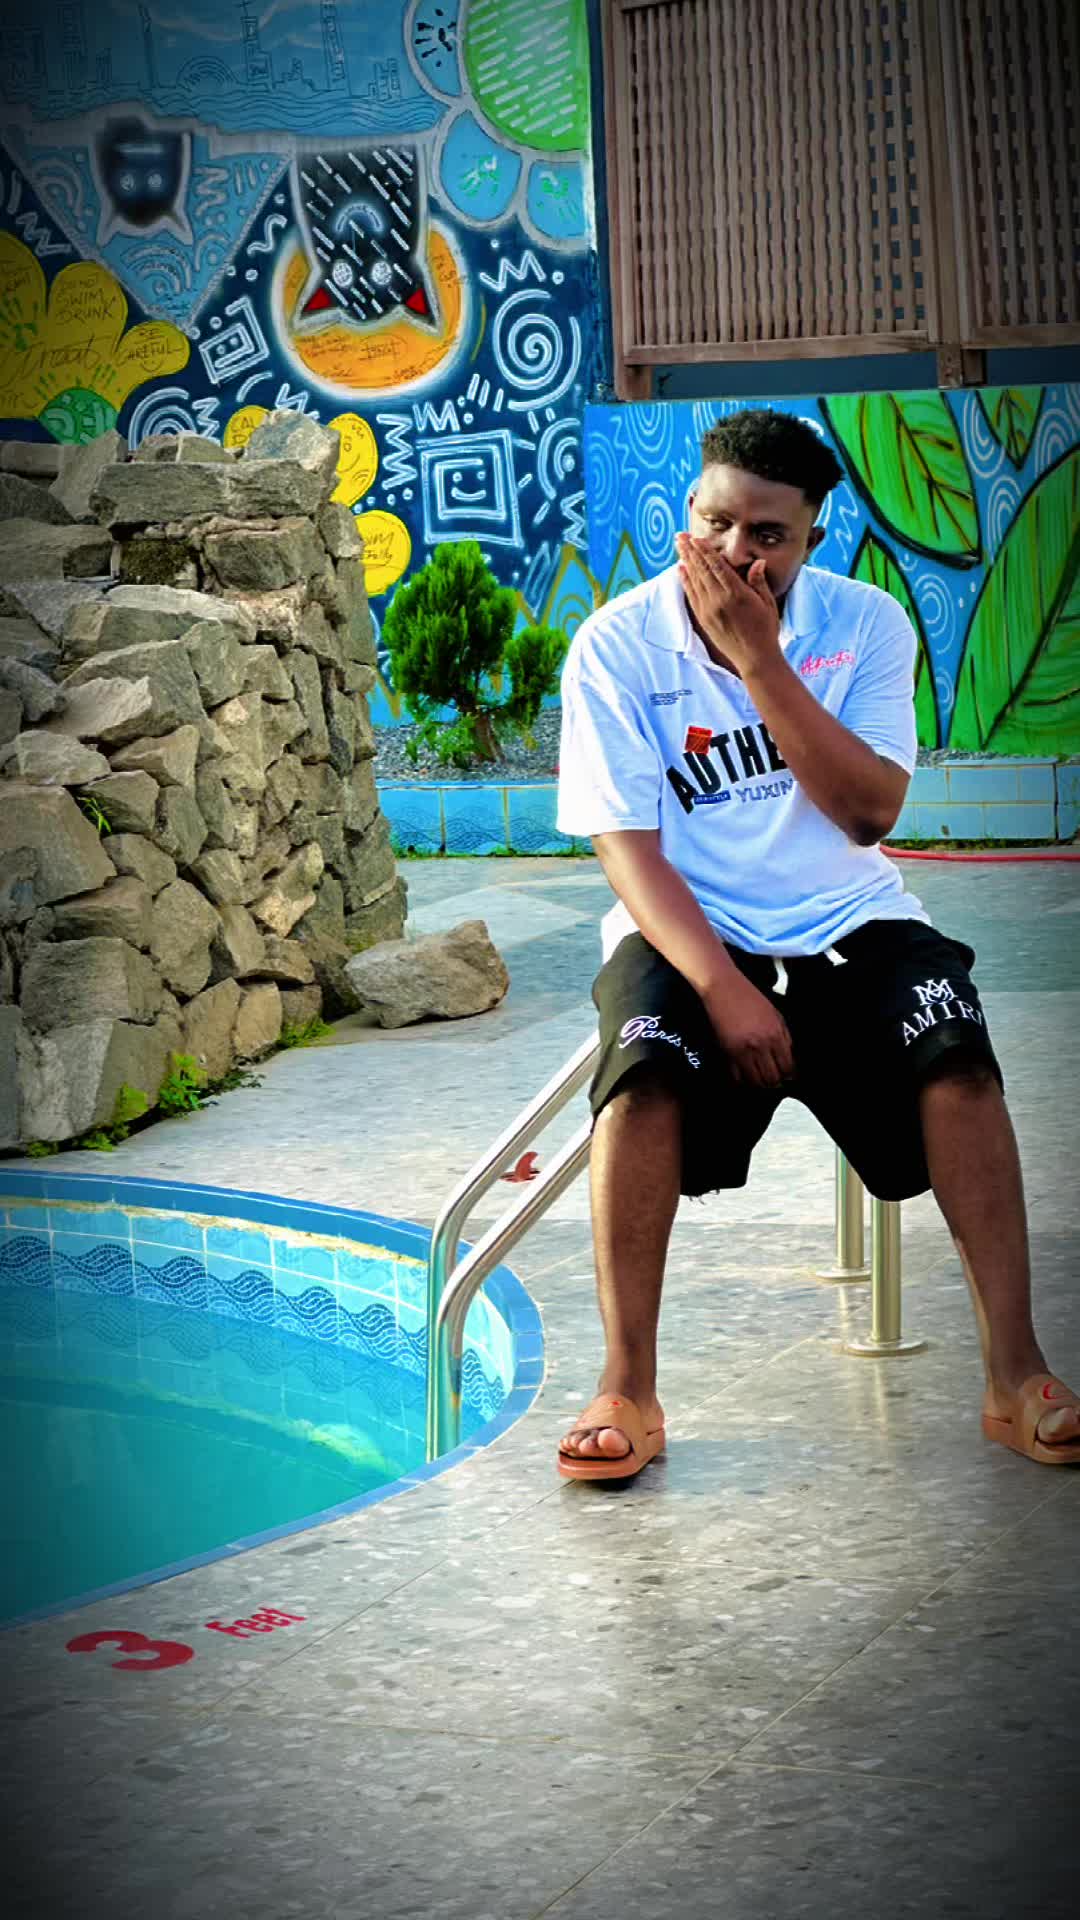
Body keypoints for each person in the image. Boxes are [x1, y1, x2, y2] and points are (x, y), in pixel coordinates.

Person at [554, 407, 1079, 1481]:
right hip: (692, 929)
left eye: (768, 535)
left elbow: (869, 812)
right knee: (638, 1079)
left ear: (811, 538)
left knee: (959, 1058)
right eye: (716, 523)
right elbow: (627, 851)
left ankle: (1015, 1375)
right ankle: (626, 1386)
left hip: (849, 918)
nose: (734, 552)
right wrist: (723, 989)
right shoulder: (615, 645)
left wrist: (761, 661)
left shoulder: (866, 624)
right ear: (688, 514)